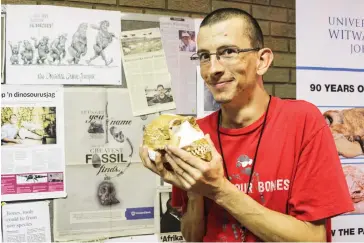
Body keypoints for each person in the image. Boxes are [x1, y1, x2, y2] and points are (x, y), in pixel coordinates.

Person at [139, 8, 354, 242]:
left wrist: (219, 189)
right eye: (203, 56)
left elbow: (313, 239)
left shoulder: (302, 121)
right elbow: (192, 237)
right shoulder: (193, 134)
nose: (213, 69)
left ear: (262, 60)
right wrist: (193, 191)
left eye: (228, 52)